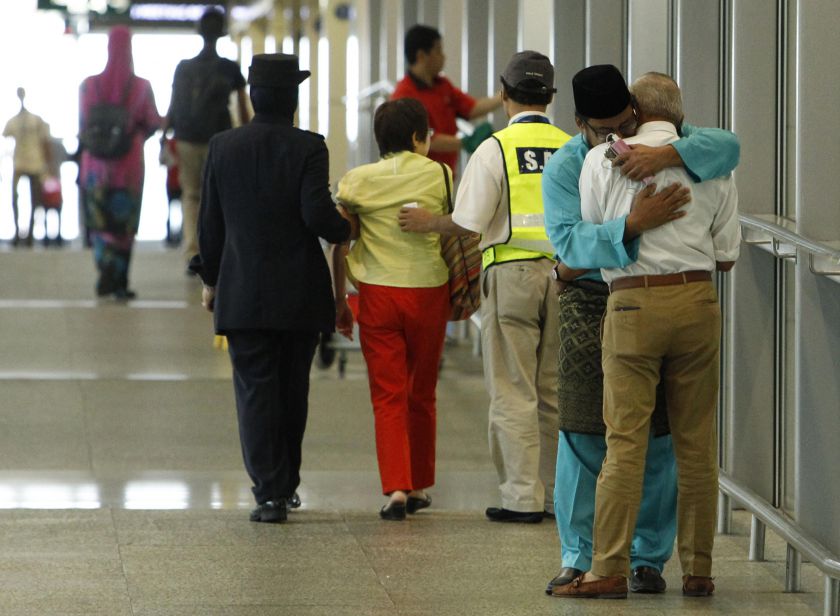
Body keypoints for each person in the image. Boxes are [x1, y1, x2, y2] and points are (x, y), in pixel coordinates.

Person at [542, 64, 741, 596]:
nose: (616, 137)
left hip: (629, 304)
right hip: (685, 301)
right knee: (683, 443)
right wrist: (633, 223)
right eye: (604, 129)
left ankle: (612, 567)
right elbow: (570, 243)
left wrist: (665, 157)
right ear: (579, 122)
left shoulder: (609, 161)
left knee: (627, 442)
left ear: (638, 110)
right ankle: (696, 570)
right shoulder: (569, 163)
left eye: (624, 123)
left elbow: (727, 143)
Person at [399, 51, 570, 523]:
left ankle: (521, 497)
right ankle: (560, 497)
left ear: (503, 93)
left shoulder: (496, 148)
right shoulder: (572, 147)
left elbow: (468, 222)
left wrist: (428, 221)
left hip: (512, 276)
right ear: (551, 97)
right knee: (554, 390)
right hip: (566, 279)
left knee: (514, 389)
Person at [192, 53, 356, 524]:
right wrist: (346, 229)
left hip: (242, 291)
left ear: (253, 96)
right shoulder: (310, 147)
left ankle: (268, 491)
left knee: (254, 391)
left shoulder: (223, 146)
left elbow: (211, 224)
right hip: (299, 293)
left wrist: (210, 280)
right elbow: (316, 216)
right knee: (292, 389)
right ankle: (286, 487)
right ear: (293, 99)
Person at [336, 98, 451, 521]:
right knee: (422, 392)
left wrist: (338, 301)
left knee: (387, 395)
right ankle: (420, 483)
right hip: (428, 291)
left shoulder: (356, 181)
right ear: (420, 138)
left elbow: (341, 239)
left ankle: (398, 488)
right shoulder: (441, 174)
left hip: (377, 294)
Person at [161, 7, 250, 271]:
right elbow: (242, 107)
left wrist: (166, 133)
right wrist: (246, 134)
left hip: (186, 137)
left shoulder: (183, 68)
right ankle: (217, 250)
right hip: (219, 139)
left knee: (191, 196)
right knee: (220, 195)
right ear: (222, 32)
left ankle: (192, 252)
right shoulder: (229, 68)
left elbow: (174, 104)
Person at [79, 26, 161, 299]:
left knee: (100, 222)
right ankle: (120, 280)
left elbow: (82, 125)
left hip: (96, 167)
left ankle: (104, 271)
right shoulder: (141, 87)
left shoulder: (88, 85)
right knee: (124, 223)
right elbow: (153, 122)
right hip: (129, 167)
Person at [391, 24, 501, 177]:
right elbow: (424, 139)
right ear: (422, 56)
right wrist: (465, 142)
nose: (443, 56)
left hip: (444, 174)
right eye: (438, 51)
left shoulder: (442, 85)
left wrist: (505, 96)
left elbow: (472, 108)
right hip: (416, 178)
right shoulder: (404, 95)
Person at [3, 87, 51, 246]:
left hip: (35, 164)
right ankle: (18, 233)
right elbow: (5, 138)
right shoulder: (13, 122)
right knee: (14, 199)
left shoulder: (36, 121)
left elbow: (45, 143)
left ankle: (30, 234)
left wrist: (47, 167)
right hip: (19, 163)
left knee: (35, 200)